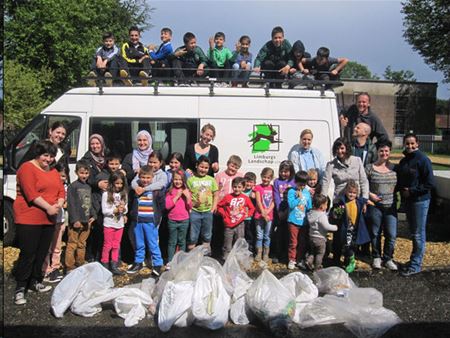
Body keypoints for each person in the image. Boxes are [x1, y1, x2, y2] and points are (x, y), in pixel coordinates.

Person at [13, 140, 65, 305]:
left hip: (49, 218)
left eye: (51, 156)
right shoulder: (27, 168)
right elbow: (31, 193)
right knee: (28, 252)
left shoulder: (53, 171)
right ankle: (21, 287)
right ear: (37, 153)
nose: (48, 159)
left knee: (42, 251)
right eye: (45, 155)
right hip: (30, 216)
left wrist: (59, 202)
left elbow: (60, 189)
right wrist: (49, 207)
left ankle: (35, 280)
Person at [395, 133, 435, 277]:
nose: (410, 146)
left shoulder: (423, 160)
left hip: (420, 201)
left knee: (418, 234)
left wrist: (412, 191)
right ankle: (413, 260)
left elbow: (430, 183)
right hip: (409, 201)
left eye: (412, 143)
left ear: (417, 144)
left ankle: (416, 265)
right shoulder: (405, 161)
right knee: (413, 232)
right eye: (407, 143)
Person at [365, 140, 398, 271]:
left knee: (391, 234)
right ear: (377, 152)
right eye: (381, 151)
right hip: (375, 206)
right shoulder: (369, 168)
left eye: (386, 151)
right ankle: (376, 257)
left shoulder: (394, 168)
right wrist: (370, 195)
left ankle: (388, 258)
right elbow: (362, 185)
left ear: (390, 152)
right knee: (375, 233)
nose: (384, 153)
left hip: (390, 207)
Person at [127, 165, 163, 276]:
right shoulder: (136, 190)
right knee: (139, 243)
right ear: (139, 177)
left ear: (152, 178)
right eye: (143, 177)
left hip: (150, 222)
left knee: (153, 244)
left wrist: (156, 218)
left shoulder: (155, 191)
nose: (145, 180)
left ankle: (157, 263)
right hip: (138, 222)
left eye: (148, 178)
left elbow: (161, 205)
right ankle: (138, 262)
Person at [329, 180, 371, 273]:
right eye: (350, 192)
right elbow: (335, 214)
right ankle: (336, 261)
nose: (352, 195)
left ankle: (349, 261)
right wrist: (337, 213)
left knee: (350, 246)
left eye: (354, 193)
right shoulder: (341, 202)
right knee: (339, 244)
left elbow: (366, 202)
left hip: (353, 229)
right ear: (346, 191)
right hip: (343, 228)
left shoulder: (359, 202)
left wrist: (368, 202)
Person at [65, 160, 96, 274]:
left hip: (86, 220)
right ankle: (69, 266)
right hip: (76, 221)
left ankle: (80, 262)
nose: (84, 175)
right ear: (76, 173)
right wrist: (74, 220)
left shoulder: (88, 186)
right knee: (72, 243)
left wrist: (93, 215)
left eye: (86, 173)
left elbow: (90, 202)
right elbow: (71, 204)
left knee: (82, 244)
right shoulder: (73, 186)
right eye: (82, 173)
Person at [81, 134, 108, 262]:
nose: (95, 146)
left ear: (102, 144)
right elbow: (85, 177)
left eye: (97, 143)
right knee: (93, 227)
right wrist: (97, 184)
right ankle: (90, 256)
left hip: (105, 197)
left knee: (103, 227)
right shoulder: (86, 159)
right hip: (92, 196)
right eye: (92, 143)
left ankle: (101, 255)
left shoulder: (106, 158)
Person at [321, 137, 369, 204]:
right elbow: (325, 182)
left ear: (347, 148)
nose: (340, 151)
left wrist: (365, 198)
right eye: (337, 149)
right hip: (340, 201)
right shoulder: (330, 165)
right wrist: (323, 200)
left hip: (357, 200)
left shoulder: (357, 161)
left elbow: (363, 181)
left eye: (342, 148)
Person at [186, 155, 219, 254]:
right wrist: (189, 208)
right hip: (194, 212)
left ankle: (206, 256)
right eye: (201, 167)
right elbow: (187, 195)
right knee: (193, 235)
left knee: (207, 235)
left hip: (208, 212)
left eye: (206, 168)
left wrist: (213, 208)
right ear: (196, 165)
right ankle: (191, 256)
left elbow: (216, 194)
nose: (203, 169)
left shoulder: (211, 180)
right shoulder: (191, 180)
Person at [217, 177, 255, 261]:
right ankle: (226, 259)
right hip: (228, 224)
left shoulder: (245, 198)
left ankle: (238, 259)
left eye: (239, 187)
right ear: (232, 187)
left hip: (240, 224)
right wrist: (224, 215)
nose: (236, 189)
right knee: (227, 244)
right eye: (235, 187)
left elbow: (252, 208)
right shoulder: (228, 197)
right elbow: (219, 206)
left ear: (243, 188)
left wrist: (247, 215)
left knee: (239, 242)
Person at [42, 162, 68, 283]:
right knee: (46, 246)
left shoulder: (66, 188)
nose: (61, 178)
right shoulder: (50, 187)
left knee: (57, 246)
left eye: (63, 176)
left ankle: (55, 267)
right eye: (59, 176)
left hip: (60, 220)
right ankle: (46, 269)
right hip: (49, 219)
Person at [101, 172, 128, 275]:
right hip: (109, 223)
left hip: (119, 224)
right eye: (117, 183)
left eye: (121, 183)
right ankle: (105, 264)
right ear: (112, 183)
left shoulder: (123, 194)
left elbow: (126, 209)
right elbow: (105, 210)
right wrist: (115, 210)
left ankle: (114, 265)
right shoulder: (106, 194)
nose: (119, 186)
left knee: (116, 245)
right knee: (108, 245)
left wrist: (123, 209)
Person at [165, 169, 192, 265]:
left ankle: (181, 261)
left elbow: (190, 206)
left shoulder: (187, 191)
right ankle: (170, 262)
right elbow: (167, 206)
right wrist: (177, 196)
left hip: (184, 220)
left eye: (180, 180)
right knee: (172, 242)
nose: (178, 182)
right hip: (172, 220)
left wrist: (188, 197)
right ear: (172, 180)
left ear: (184, 180)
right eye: (176, 179)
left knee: (182, 241)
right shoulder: (170, 191)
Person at [287, 171, 313, 270]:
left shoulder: (306, 192)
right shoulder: (291, 191)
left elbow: (309, 206)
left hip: (304, 221)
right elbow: (291, 205)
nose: (302, 187)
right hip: (293, 221)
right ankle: (292, 259)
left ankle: (299, 259)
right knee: (293, 242)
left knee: (302, 242)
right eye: (300, 184)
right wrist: (298, 198)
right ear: (295, 182)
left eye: (304, 185)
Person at [272, 160, 295, 263]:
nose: (284, 174)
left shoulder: (294, 181)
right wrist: (279, 211)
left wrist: (287, 211)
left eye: (286, 171)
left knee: (289, 235)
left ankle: (287, 255)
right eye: (282, 171)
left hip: (290, 211)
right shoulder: (277, 181)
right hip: (280, 211)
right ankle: (277, 253)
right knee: (279, 234)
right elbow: (276, 196)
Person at [306, 194, 338, 271]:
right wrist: (335, 227)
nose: (327, 206)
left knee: (313, 252)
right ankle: (318, 267)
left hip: (311, 237)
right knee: (320, 254)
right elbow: (326, 226)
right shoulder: (321, 216)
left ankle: (309, 261)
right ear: (321, 206)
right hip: (320, 239)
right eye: (326, 204)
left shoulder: (311, 213)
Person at [254, 167, 275, 262]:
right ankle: (259, 253)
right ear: (261, 176)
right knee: (259, 235)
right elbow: (258, 201)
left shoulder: (273, 188)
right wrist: (263, 212)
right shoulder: (258, 187)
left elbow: (274, 202)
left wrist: (267, 212)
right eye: (264, 177)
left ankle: (266, 254)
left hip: (269, 216)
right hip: (259, 215)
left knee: (267, 235)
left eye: (268, 178)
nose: (265, 179)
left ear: (271, 179)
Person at [243, 171, 257, 253]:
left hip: (250, 218)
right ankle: (242, 250)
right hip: (241, 218)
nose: (248, 184)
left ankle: (251, 250)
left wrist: (254, 197)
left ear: (254, 183)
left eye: (251, 182)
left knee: (250, 235)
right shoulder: (241, 191)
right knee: (242, 235)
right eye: (247, 181)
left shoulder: (254, 193)